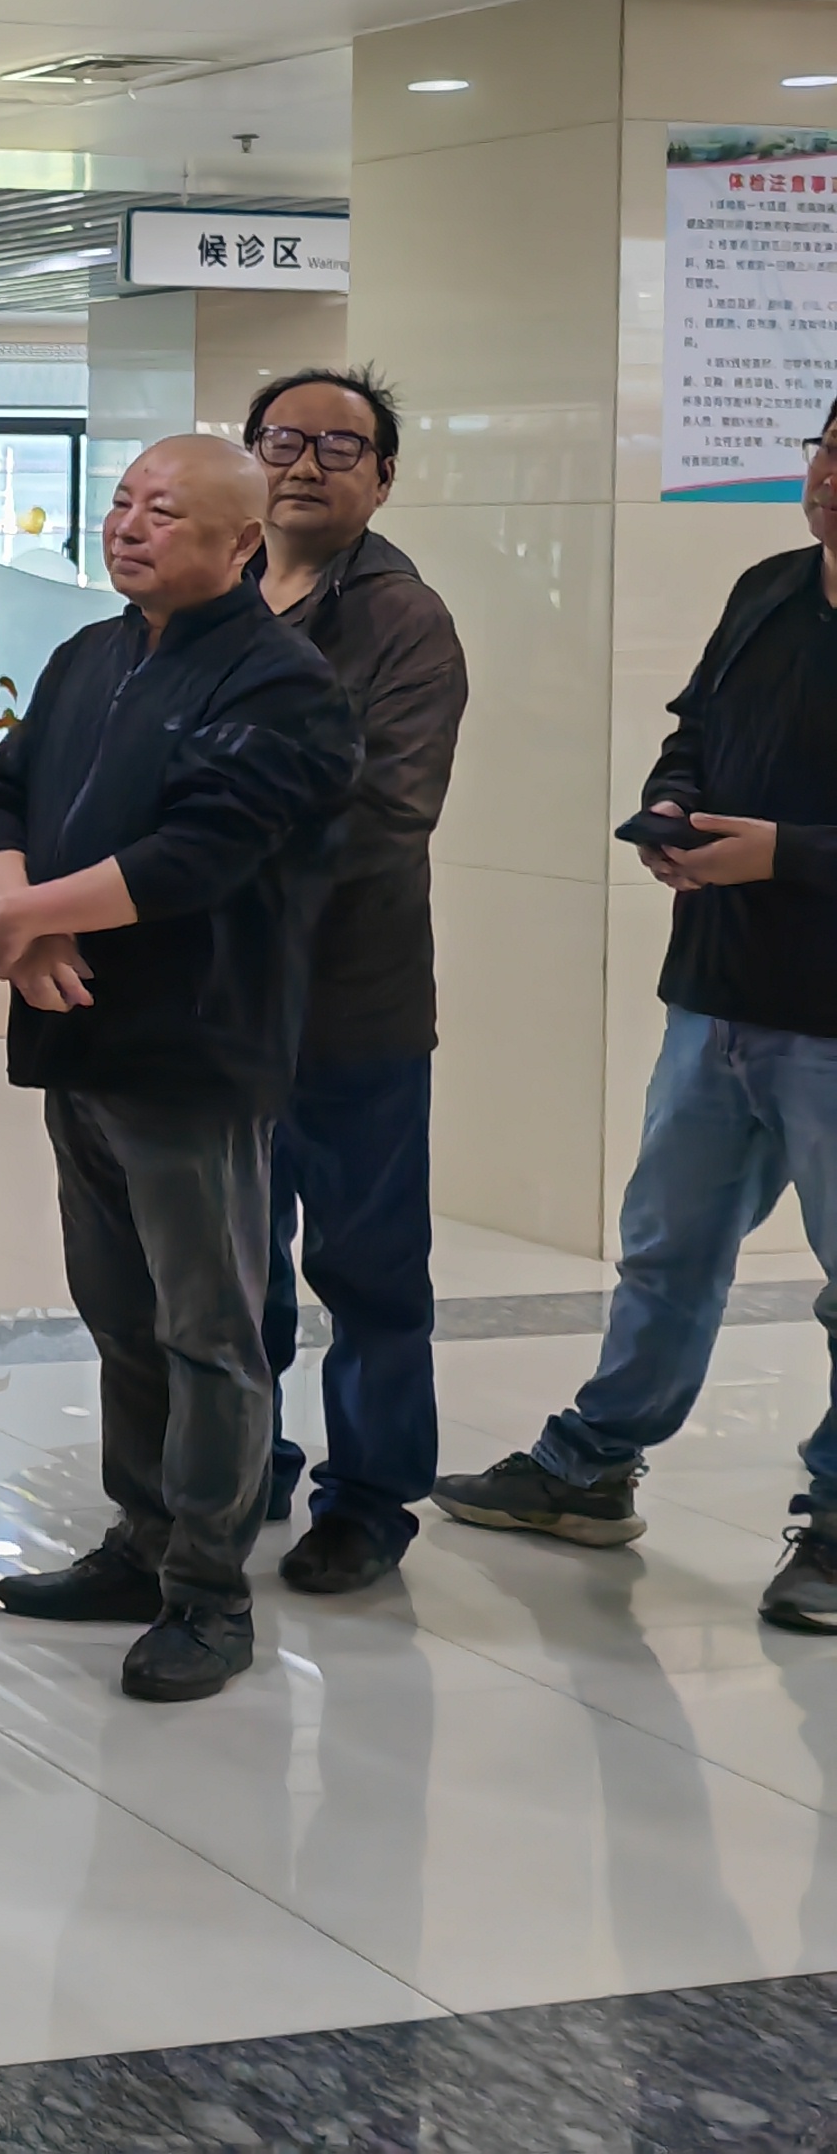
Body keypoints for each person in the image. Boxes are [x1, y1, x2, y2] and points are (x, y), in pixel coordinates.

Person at [0, 436, 359, 1704]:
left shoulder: (280, 680)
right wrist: (18, 915)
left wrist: (28, 917)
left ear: (239, 543)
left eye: (163, 512)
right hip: (76, 1026)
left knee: (207, 1331)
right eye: (122, 503)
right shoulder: (92, 653)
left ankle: (207, 1591)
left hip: (193, 1045)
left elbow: (203, 850)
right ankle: (139, 1542)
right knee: (117, 1313)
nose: (128, 526)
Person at [435, 403, 837, 1634]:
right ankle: (591, 1466)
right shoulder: (770, 587)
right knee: (666, 1251)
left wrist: (784, 855)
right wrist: (671, 806)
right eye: (830, 449)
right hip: (716, 996)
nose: (832, 478)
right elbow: (694, 727)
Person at [242, 369, 468, 1598]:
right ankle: (243, 1463)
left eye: (340, 446)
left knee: (367, 1265)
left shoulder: (400, 618)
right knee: (232, 1258)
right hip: (218, 1000)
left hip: (351, 1000)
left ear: (381, 479)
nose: (305, 462)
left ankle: (370, 1500)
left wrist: (196, 857)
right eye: (282, 439)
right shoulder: (212, 590)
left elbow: (387, 811)